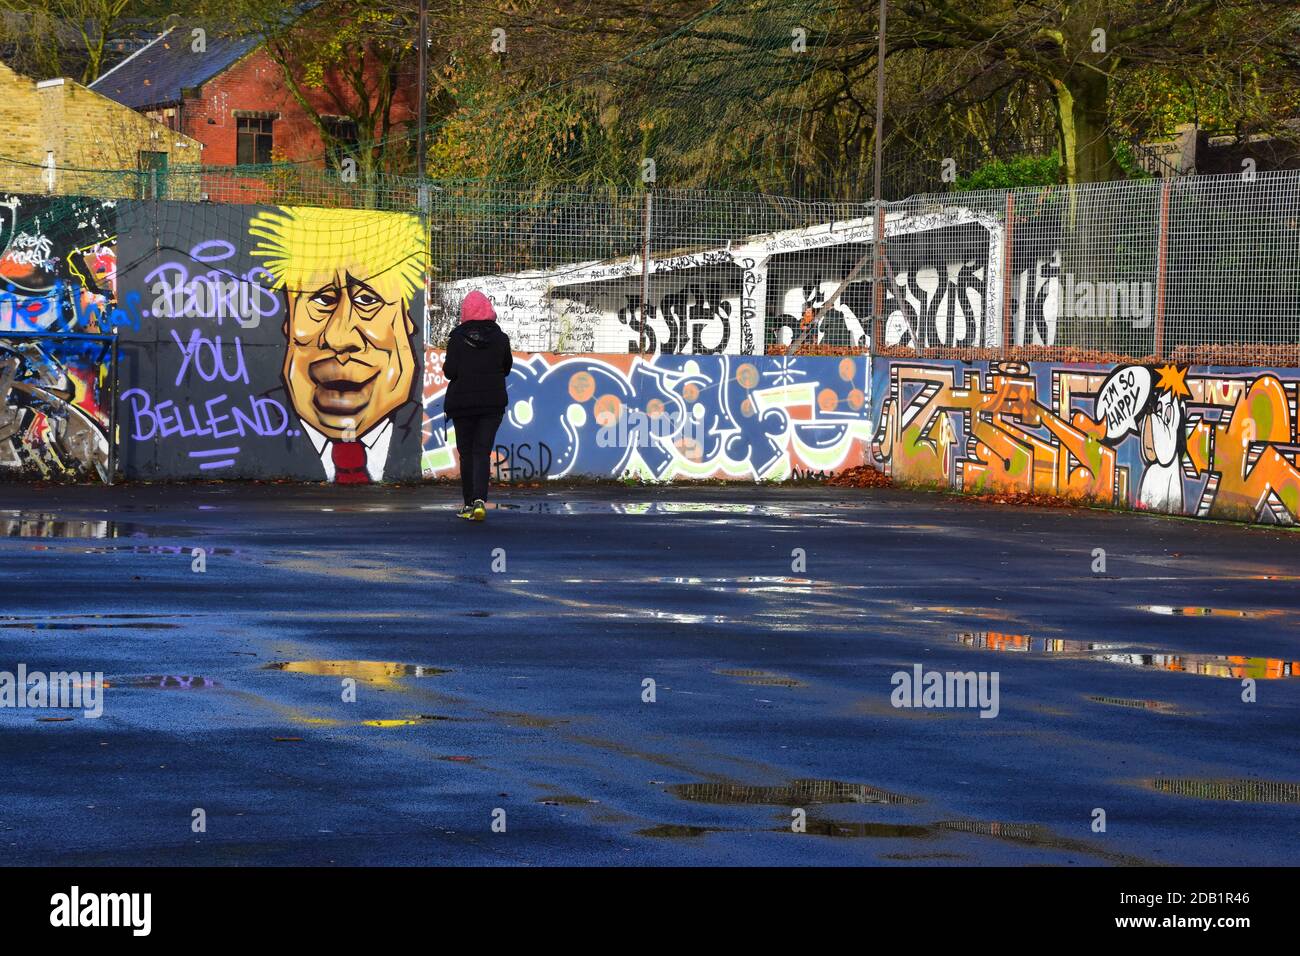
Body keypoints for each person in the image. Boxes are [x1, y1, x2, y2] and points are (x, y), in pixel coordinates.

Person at [443, 290, 512, 520]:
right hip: (492, 406)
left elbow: (449, 371)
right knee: (482, 451)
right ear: (488, 310)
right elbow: (506, 367)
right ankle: (481, 500)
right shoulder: (501, 339)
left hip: (462, 405)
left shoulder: (457, 339)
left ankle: (469, 504)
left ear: (465, 312)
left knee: (467, 453)